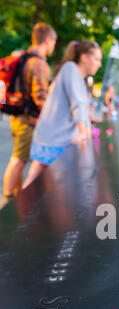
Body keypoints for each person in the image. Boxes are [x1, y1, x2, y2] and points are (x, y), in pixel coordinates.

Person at [22, 40, 102, 188]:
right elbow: (77, 104)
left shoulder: (72, 72)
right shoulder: (71, 69)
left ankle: (19, 208)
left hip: (49, 136)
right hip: (55, 139)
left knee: (35, 183)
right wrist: (84, 133)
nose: (99, 64)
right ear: (84, 57)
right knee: (53, 187)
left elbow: (76, 106)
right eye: (96, 59)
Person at [3, 23, 57, 198]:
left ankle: (15, 197)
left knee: (20, 158)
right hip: (28, 120)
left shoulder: (25, 58)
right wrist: (52, 117)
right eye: (54, 42)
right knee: (19, 160)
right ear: (48, 40)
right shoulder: (39, 64)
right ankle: (9, 197)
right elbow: (40, 97)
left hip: (18, 116)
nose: (53, 46)